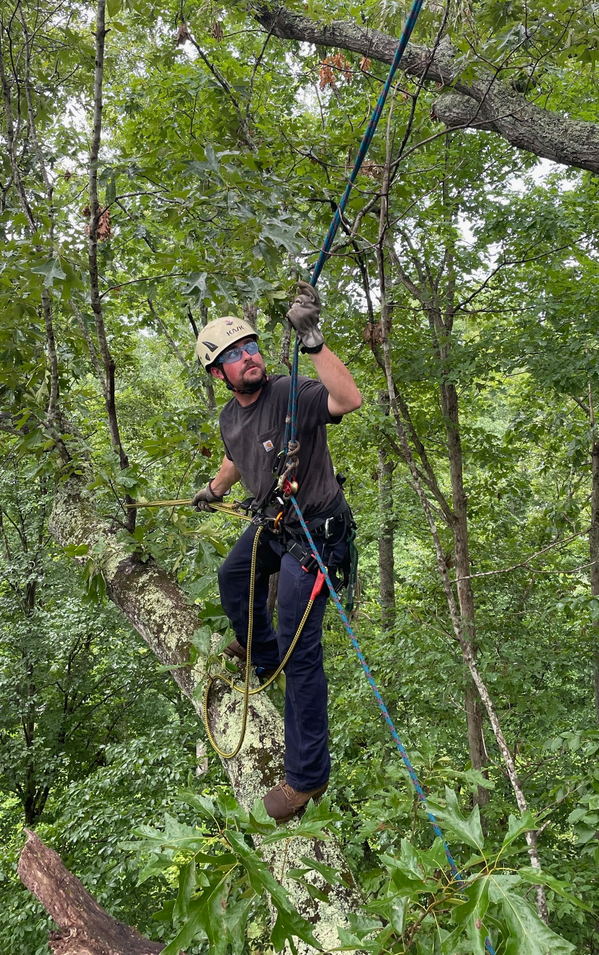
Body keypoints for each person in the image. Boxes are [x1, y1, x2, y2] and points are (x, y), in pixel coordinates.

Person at [193, 283, 362, 821]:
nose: (248, 357)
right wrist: (215, 489)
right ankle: (260, 653)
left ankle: (307, 779)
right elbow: (237, 456)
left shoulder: (291, 393)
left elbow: (348, 400)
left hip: (316, 536)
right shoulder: (230, 415)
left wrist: (313, 340)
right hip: (275, 522)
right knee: (234, 576)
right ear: (218, 374)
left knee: (300, 648)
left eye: (251, 347)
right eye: (233, 354)